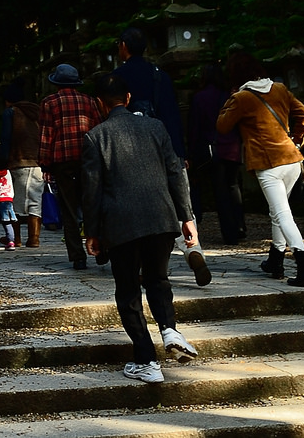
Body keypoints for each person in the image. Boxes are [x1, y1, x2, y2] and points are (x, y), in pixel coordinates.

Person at [82, 72, 201, 384]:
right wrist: (186, 216)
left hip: (121, 224)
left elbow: (92, 189)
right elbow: (175, 172)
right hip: (161, 218)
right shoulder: (156, 127)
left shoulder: (96, 137)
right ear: (128, 98)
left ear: (98, 103)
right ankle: (169, 329)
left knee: (128, 291)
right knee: (158, 279)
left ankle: (147, 360)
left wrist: (91, 231)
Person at [217, 55, 304, 287]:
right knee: (278, 211)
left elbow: (222, 126)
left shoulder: (241, 98)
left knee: (282, 214)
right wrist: (297, 140)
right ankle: (275, 259)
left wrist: (230, 98)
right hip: (291, 159)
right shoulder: (279, 88)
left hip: (267, 163)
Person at [38, 63, 106, 268]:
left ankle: (78, 257)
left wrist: (45, 165)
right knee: (93, 203)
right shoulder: (89, 101)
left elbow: (46, 135)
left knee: (69, 209)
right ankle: (102, 248)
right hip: (88, 159)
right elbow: (98, 129)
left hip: (62, 160)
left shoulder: (49, 102)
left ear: (56, 83)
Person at [185, 61, 246, 244]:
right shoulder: (230, 95)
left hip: (214, 148)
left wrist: (192, 153)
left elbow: (195, 128)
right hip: (233, 146)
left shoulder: (200, 98)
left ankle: (229, 232)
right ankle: (240, 226)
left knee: (220, 191)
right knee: (234, 186)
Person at [112, 27, 185, 154]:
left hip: (127, 145)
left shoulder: (115, 78)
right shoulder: (161, 75)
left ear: (123, 45)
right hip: (159, 143)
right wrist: (179, 151)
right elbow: (172, 115)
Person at [2, 81, 46, 248]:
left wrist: (3, 160)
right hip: (38, 161)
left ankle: (16, 238)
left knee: (16, 202)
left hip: (19, 160)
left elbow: (6, 138)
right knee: (35, 201)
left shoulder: (11, 113)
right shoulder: (38, 111)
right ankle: (34, 238)